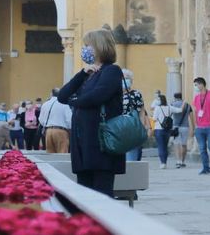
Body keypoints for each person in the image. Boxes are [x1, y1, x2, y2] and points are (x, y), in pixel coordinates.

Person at [58, 29, 125, 197]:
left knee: (101, 195)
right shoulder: (89, 74)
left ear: (100, 46)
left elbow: (97, 96)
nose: (85, 49)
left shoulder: (112, 71)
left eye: (88, 45)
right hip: (83, 144)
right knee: (84, 194)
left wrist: (74, 102)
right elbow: (62, 96)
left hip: (101, 144)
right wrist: (82, 74)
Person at [192, 77, 210, 175]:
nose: (195, 87)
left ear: (201, 84)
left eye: (196, 85)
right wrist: (195, 124)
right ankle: (205, 168)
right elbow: (195, 111)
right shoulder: (196, 97)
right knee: (202, 148)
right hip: (199, 128)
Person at [122, 69, 150, 161]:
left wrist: (142, 127)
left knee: (131, 160)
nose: (125, 80)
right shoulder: (113, 94)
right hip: (118, 129)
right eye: (123, 78)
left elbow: (142, 112)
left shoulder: (136, 94)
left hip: (133, 130)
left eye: (127, 78)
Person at [151, 94, 183, 169]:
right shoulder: (169, 107)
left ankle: (163, 163)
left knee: (160, 146)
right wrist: (184, 103)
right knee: (165, 146)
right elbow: (180, 110)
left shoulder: (157, 108)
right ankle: (164, 162)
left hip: (158, 129)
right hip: (167, 130)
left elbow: (154, 119)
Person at [39, 88, 72, 153]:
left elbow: (41, 119)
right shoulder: (64, 104)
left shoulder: (45, 104)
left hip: (48, 131)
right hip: (61, 131)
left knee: (50, 154)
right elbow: (69, 120)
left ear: (51, 94)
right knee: (62, 154)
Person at [170, 92, 194, 169]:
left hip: (175, 127)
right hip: (185, 127)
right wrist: (193, 128)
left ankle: (178, 161)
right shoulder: (187, 105)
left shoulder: (172, 104)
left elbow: (169, 115)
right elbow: (191, 117)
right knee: (184, 144)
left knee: (177, 144)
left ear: (175, 98)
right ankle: (183, 161)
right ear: (181, 97)